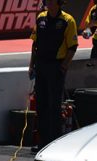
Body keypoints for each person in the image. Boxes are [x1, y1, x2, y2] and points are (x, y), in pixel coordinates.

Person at [28, 0, 78, 152]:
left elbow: (73, 46)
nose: (48, 3)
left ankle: (54, 144)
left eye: (51, 1)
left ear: (59, 3)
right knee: (41, 105)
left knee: (54, 107)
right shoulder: (41, 18)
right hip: (41, 67)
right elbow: (34, 44)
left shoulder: (68, 20)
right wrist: (31, 65)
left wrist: (64, 66)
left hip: (56, 67)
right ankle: (42, 142)